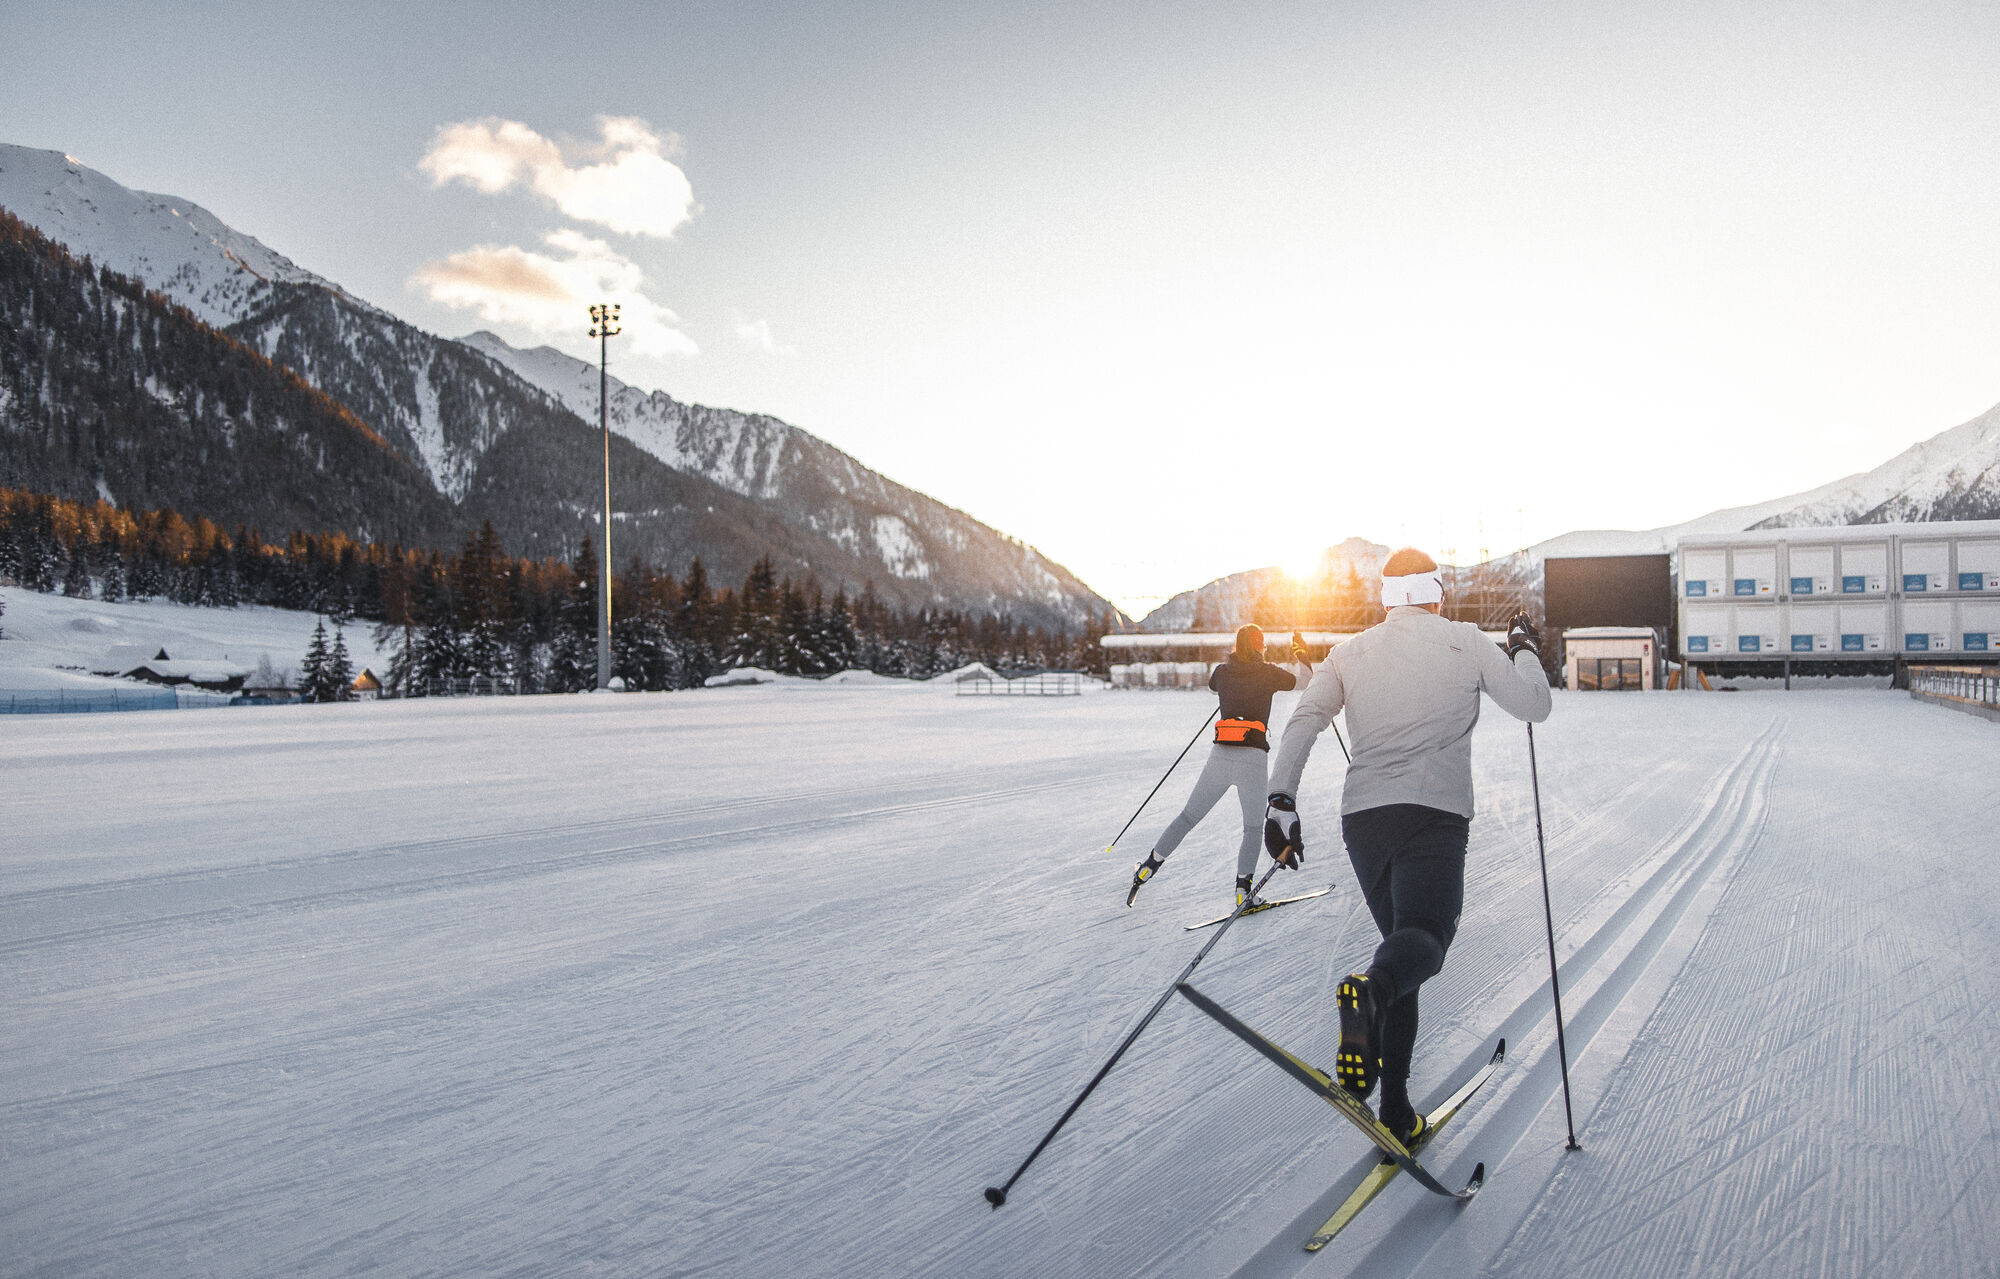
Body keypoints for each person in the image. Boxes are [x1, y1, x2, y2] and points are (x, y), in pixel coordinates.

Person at [1260, 548, 1551, 1145]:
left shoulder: (1349, 652)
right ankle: (1369, 995)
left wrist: (1280, 803)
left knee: (1400, 949)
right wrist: (1522, 646)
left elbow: (1304, 720)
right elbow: (1534, 706)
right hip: (1434, 815)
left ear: (1387, 596)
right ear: (1435, 593)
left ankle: (1395, 1109)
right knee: (1424, 940)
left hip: (1363, 819)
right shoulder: (1465, 640)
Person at [1128, 624, 1313, 909]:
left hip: (1220, 757)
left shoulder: (1222, 672)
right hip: (1252, 759)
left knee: (1187, 818)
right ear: (1260, 646)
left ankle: (1148, 867)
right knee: (1251, 829)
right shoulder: (1269, 673)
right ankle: (1243, 892)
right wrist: (1301, 654)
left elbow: (1215, 685)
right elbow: (1305, 681)